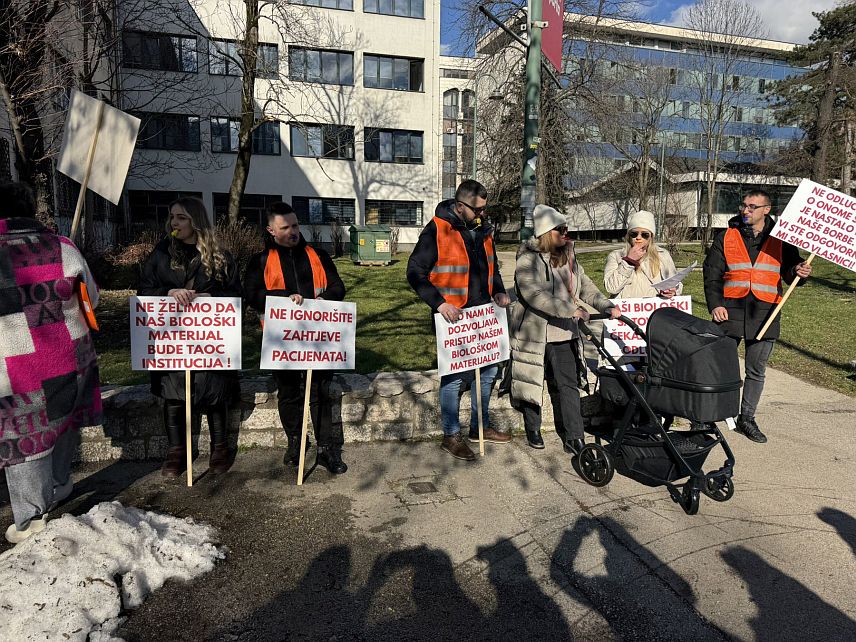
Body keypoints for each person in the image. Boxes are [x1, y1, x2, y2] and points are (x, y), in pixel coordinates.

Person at [0, 180, 102, 543]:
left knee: (23, 439)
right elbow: (93, 296)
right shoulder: (63, 246)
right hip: (69, 356)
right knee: (61, 423)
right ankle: (59, 485)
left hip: (13, 367)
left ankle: (31, 521)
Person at [407, 180, 512, 461]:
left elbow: (493, 267)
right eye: (477, 210)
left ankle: (481, 427)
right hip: (452, 317)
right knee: (453, 379)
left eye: (484, 210)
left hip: (483, 315)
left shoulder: (483, 231)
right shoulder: (437, 230)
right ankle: (451, 436)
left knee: (488, 373)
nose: (482, 215)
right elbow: (415, 272)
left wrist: (499, 291)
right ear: (460, 206)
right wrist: (440, 304)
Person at [138, 196, 241, 477]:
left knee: (214, 392)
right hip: (172, 340)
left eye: (181, 217)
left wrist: (211, 298)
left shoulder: (220, 255)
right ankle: (177, 451)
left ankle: (220, 448)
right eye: (172, 216)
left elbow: (235, 295)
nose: (174, 222)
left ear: (195, 220)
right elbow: (144, 291)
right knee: (173, 394)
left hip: (210, 340)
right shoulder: (160, 254)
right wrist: (168, 293)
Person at [244, 202, 348, 474]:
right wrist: (282, 299)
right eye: (285, 227)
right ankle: (296, 442)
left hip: (320, 337)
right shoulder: (260, 261)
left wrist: (324, 299)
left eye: (295, 225)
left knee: (320, 393)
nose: (293, 231)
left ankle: (327, 448)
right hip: (282, 341)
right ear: (271, 230)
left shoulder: (319, 256)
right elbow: (251, 295)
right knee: (289, 394)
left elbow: (338, 286)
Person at [703, 189, 812, 444]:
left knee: (756, 369)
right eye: (744, 206)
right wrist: (715, 305)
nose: (746, 210)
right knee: (718, 366)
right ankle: (707, 415)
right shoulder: (726, 236)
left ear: (766, 210)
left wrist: (799, 271)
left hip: (766, 312)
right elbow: (712, 274)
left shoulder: (783, 240)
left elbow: (790, 271)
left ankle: (747, 418)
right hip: (729, 311)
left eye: (752, 206)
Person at [509, 204, 620, 452]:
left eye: (566, 229)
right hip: (534, 331)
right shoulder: (527, 257)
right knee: (533, 380)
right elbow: (533, 294)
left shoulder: (568, 255)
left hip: (564, 331)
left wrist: (606, 304)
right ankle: (533, 427)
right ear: (547, 231)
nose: (565, 234)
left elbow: (586, 287)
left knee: (568, 384)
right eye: (560, 230)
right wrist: (572, 310)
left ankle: (575, 436)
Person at [603, 210, 682, 299]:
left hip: (654, 309)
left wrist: (673, 290)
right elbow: (611, 288)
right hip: (625, 310)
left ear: (651, 237)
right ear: (629, 235)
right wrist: (629, 261)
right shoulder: (616, 256)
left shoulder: (663, 255)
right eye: (634, 234)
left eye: (644, 234)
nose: (638, 238)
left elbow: (676, 283)